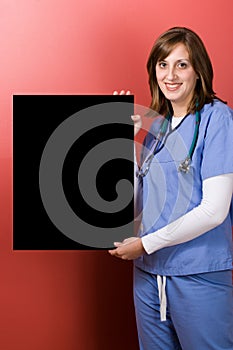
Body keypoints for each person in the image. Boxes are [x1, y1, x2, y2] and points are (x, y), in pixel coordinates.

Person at [109, 27, 233, 350]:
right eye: (163, 65)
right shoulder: (157, 128)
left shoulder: (216, 119)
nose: (170, 75)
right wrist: (124, 142)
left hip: (197, 274)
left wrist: (146, 245)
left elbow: (214, 210)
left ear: (199, 70)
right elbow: (138, 205)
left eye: (182, 64)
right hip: (148, 276)